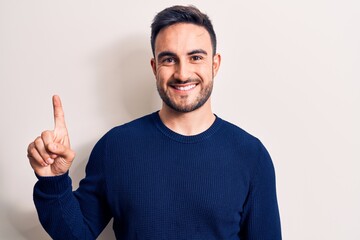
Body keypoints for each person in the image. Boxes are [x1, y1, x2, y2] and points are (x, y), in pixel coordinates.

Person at [27, 5, 282, 240]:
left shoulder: (251, 156)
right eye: (169, 59)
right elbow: (75, 235)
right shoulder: (116, 147)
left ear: (214, 65)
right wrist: (54, 180)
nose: (182, 73)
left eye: (196, 57)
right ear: (154, 67)